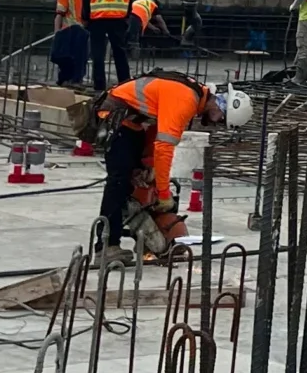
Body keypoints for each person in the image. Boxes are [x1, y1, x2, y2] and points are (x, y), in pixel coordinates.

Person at [95, 74, 245, 251]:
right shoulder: (186, 99)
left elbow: (156, 124)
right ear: (221, 107)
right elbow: (164, 148)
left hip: (133, 120)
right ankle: (107, 245)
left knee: (141, 181)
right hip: (116, 116)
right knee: (119, 181)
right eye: (220, 120)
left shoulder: (194, 96)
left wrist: (149, 163)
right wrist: (164, 193)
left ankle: (147, 242)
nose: (216, 123)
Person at [86, 0, 135, 91]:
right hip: (118, 19)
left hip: (97, 19)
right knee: (120, 53)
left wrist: (86, 19)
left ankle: (99, 86)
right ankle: (125, 85)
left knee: (98, 55)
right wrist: (127, 17)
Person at [53, 0, 91, 88]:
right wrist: (57, 33)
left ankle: (76, 80)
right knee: (66, 57)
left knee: (81, 58)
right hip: (68, 31)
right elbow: (60, 14)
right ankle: (65, 79)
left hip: (83, 31)